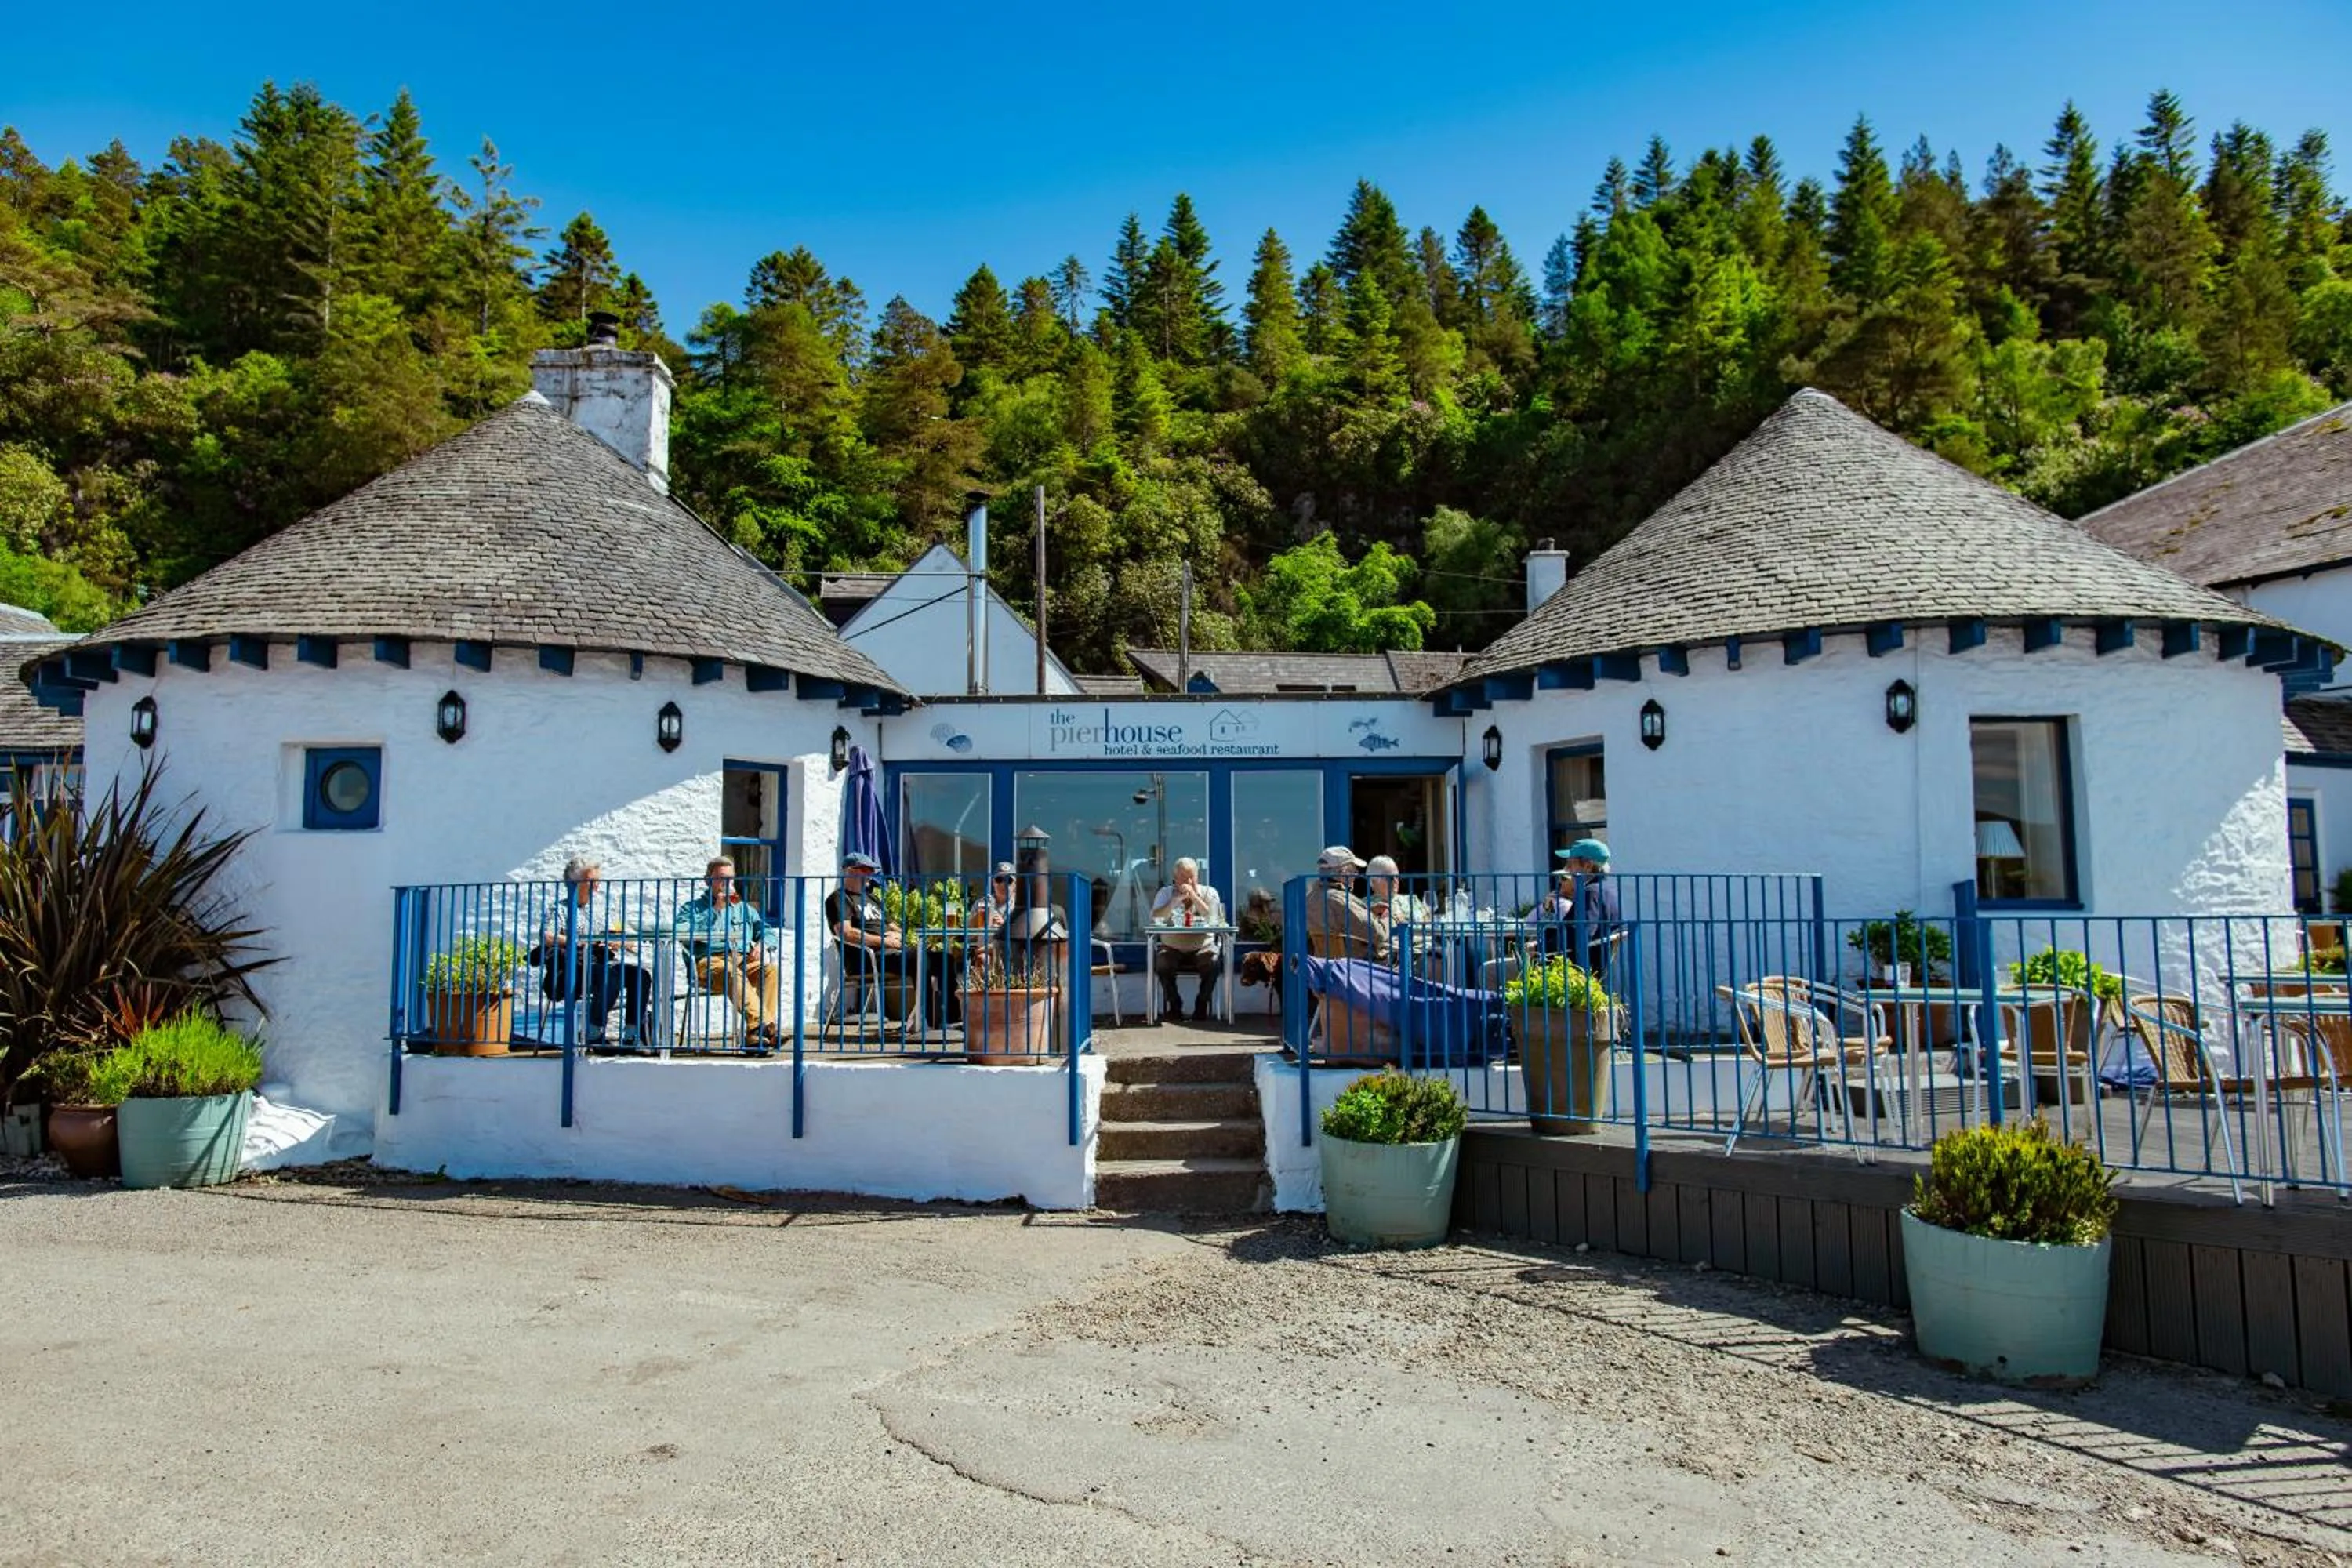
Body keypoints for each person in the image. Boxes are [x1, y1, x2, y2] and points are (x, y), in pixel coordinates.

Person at [823, 852, 956, 1029]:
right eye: (865, 869)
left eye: (871, 870)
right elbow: (846, 933)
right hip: (866, 958)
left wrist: (897, 936)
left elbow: (896, 928)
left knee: (945, 958)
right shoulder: (839, 898)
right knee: (920, 958)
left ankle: (951, 1019)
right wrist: (884, 941)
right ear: (849, 871)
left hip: (891, 953)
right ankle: (926, 1020)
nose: (870, 874)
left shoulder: (873, 899)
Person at [535, 858, 651, 1046]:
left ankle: (632, 1033)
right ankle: (593, 1033)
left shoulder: (599, 911)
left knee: (640, 975)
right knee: (609, 975)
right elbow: (547, 936)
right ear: (574, 883)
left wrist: (617, 942)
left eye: (597, 881)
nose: (596, 886)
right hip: (571, 969)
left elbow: (622, 935)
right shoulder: (559, 909)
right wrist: (584, 942)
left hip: (598, 964)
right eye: (591, 881)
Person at [673, 855, 784, 1049]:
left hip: (742, 959)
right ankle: (766, 1027)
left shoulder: (743, 909)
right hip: (710, 961)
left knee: (770, 971)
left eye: (730, 879)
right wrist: (716, 909)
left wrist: (762, 944)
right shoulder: (693, 908)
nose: (726, 883)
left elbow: (766, 930)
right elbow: (682, 933)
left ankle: (756, 1036)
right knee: (731, 973)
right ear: (708, 880)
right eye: (720, 878)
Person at [1149, 856, 1225, 1023]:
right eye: (1184, 878)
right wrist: (1175, 901)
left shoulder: (1209, 892)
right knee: (1162, 963)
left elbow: (1215, 918)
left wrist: (1195, 897)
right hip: (1172, 946)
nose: (1189, 881)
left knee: (1213, 961)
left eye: (1193, 877)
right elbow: (1155, 916)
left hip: (1202, 945)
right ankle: (1174, 1005)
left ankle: (1202, 1004)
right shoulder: (1165, 893)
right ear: (1176, 878)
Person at [1534, 838, 1621, 975]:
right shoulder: (1609, 890)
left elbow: (1578, 934)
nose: (1566, 870)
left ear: (1587, 865)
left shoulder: (1589, 893)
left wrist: (1538, 948)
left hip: (1571, 969)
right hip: (1587, 965)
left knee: (1490, 971)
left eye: (1570, 864)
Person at [1303, 844, 1391, 963]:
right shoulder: (1340, 899)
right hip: (1359, 968)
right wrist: (1386, 918)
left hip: (1325, 968)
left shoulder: (1310, 898)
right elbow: (1379, 935)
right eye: (1354, 871)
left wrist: (1369, 912)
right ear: (1343, 872)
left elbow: (1343, 921)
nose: (1355, 875)